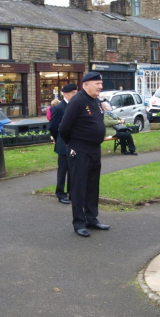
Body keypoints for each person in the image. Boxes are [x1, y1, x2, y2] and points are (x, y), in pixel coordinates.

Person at [59, 72, 109, 237]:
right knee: (79, 187)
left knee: (93, 185)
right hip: (79, 150)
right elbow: (64, 128)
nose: (100, 87)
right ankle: (79, 222)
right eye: (97, 84)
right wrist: (72, 144)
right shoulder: (77, 101)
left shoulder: (95, 101)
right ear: (86, 84)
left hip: (94, 149)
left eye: (101, 84)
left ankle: (91, 218)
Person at [49, 84, 77, 204]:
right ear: (65, 94)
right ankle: (60, 193)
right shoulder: (59, 108)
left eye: (76, 93)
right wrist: (58, 139)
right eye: (73, 93)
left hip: (74, 143)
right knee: (63, 170)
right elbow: (53, 127)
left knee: (73, 169)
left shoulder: (76, 106)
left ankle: (72, 192)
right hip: (63, 143)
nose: (75, 95)